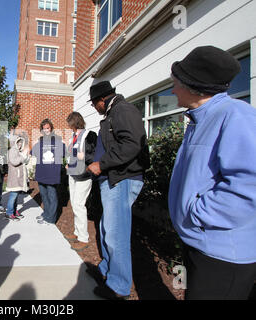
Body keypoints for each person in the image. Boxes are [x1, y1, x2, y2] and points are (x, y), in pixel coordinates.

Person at [168, 46, 256, 300]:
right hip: (199, 243)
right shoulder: (201, 119)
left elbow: (249, 184)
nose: (172, 90)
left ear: (193, 86)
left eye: (175, 83)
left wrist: (197, 213)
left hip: (222, 255)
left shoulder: (236, 115)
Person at [86, 80, 150, 300]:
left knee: (116, 233)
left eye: (94, 104)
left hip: (122, 179)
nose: (94, 108)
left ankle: (118, 286)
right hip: (113, 179)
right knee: (107, 228)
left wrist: (101, 164)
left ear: (101, 100)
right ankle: (107, 270)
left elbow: (132, 143)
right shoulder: (113, 113)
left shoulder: (123, 110)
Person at [64, 112, 97, 252]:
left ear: (76, 123)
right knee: (74, 204)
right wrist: (69, 163)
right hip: (72, 174)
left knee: (79, 204)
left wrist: (82, 156)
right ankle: (77, 232)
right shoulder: (73, 136)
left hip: (84, 175)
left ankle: (83, 238)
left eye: (71, 125)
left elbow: (93, 154)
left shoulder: (90, 135)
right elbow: (72, 153)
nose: (70, 128)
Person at [31, 119, 66, 225]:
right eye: (44, 128)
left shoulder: (57, 140)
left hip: (52, 173)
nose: (46, 130)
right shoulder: (40, 141)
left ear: (51, 128)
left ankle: (51, 218)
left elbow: (64, 153)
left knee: (51, 195)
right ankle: (46, 214)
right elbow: (33, 152)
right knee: (44, 195)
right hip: (41, 172)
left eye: (48, 128)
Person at [5, 133, 30, 221]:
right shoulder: (12, 150)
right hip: (14, 178)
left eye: (21, 142)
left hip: (18, 177)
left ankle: (14, 211)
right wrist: (22, 156)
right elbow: (14, 162)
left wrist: (26, 157)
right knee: (13, 196)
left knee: (15, 196)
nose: (20, 144)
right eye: (18, 142)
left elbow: (24, 162)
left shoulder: (18, 151)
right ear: (13, 143)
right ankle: (9, 213)